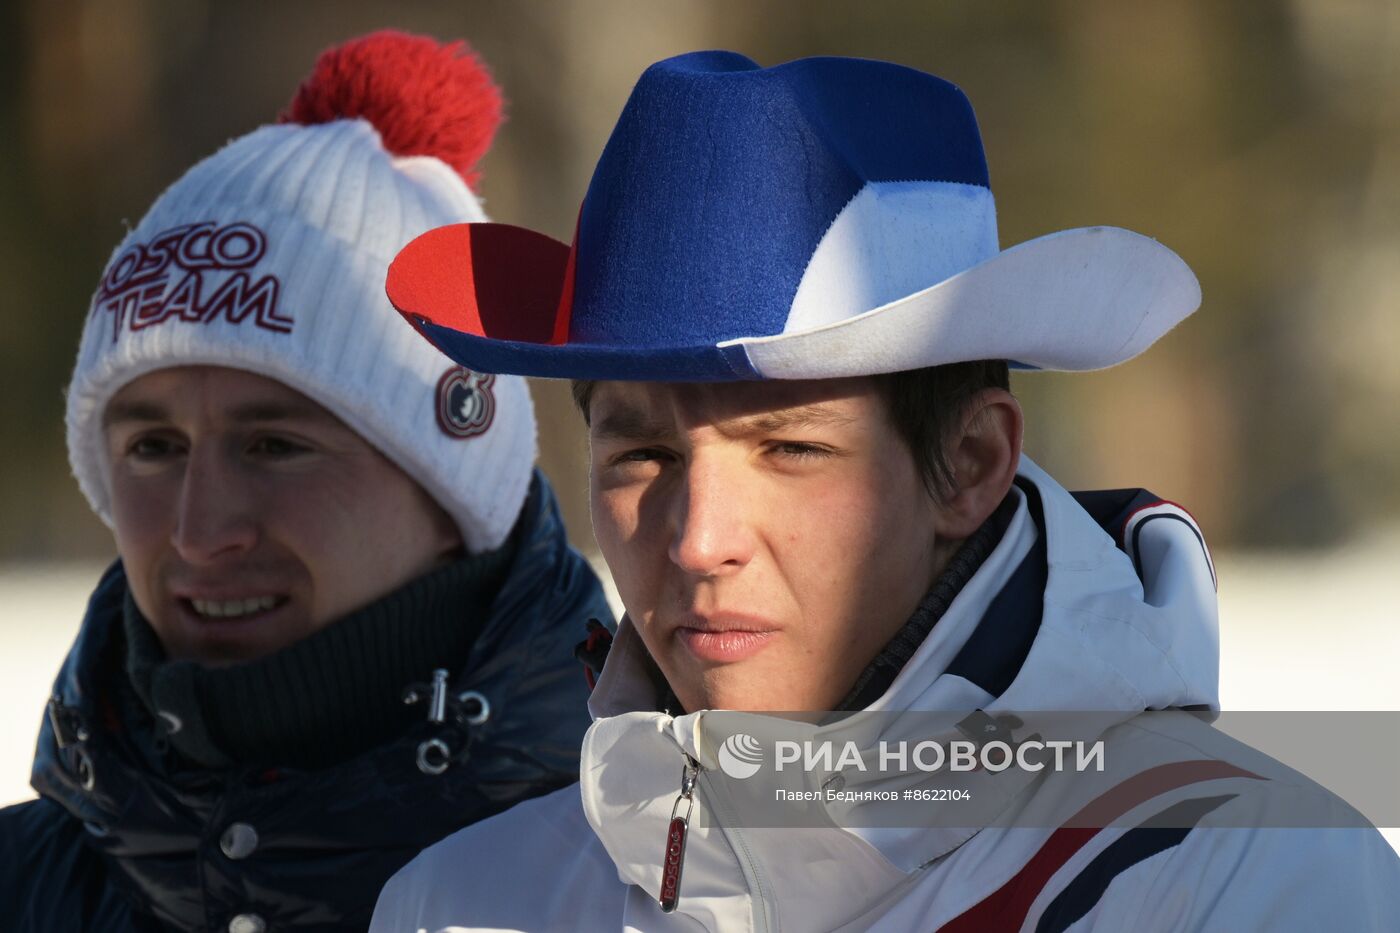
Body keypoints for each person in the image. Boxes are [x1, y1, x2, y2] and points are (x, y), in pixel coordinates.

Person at [370, 51, 1400, 931]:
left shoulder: (1250, 884)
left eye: (789, 451)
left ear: (970, 464)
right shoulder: (464, 903)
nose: (697, 542)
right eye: (641, 456)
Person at [0, 31, 612, 933]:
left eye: (277, 446)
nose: (201, 531)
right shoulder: (22, 889)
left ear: (454, 495)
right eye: (153, 448)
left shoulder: (657, 890)